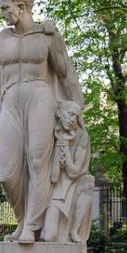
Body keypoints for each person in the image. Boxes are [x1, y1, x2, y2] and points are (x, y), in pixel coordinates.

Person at [0, 0, 83, 243]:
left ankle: (31, 226)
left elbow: (64, 72)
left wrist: (57, 39)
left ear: (21, 7)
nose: (2, 13)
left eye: (5, 8)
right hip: (10, 101)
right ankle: (22, 219)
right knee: (7, 173)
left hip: (40, 98)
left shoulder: (45, 36)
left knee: (38, 162)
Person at [42, 100, 94, 243]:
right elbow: (53, 177)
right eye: (71, 114)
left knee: (89, 181)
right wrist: (60, 145)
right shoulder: (50, 134)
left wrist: (65, 148)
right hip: (57, 189)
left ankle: (74, 231)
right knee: (49, 237)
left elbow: (73, 172)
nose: (73, 120)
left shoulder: (82, 136)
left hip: (76, 183)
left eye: (76, 117)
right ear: (59, 113)